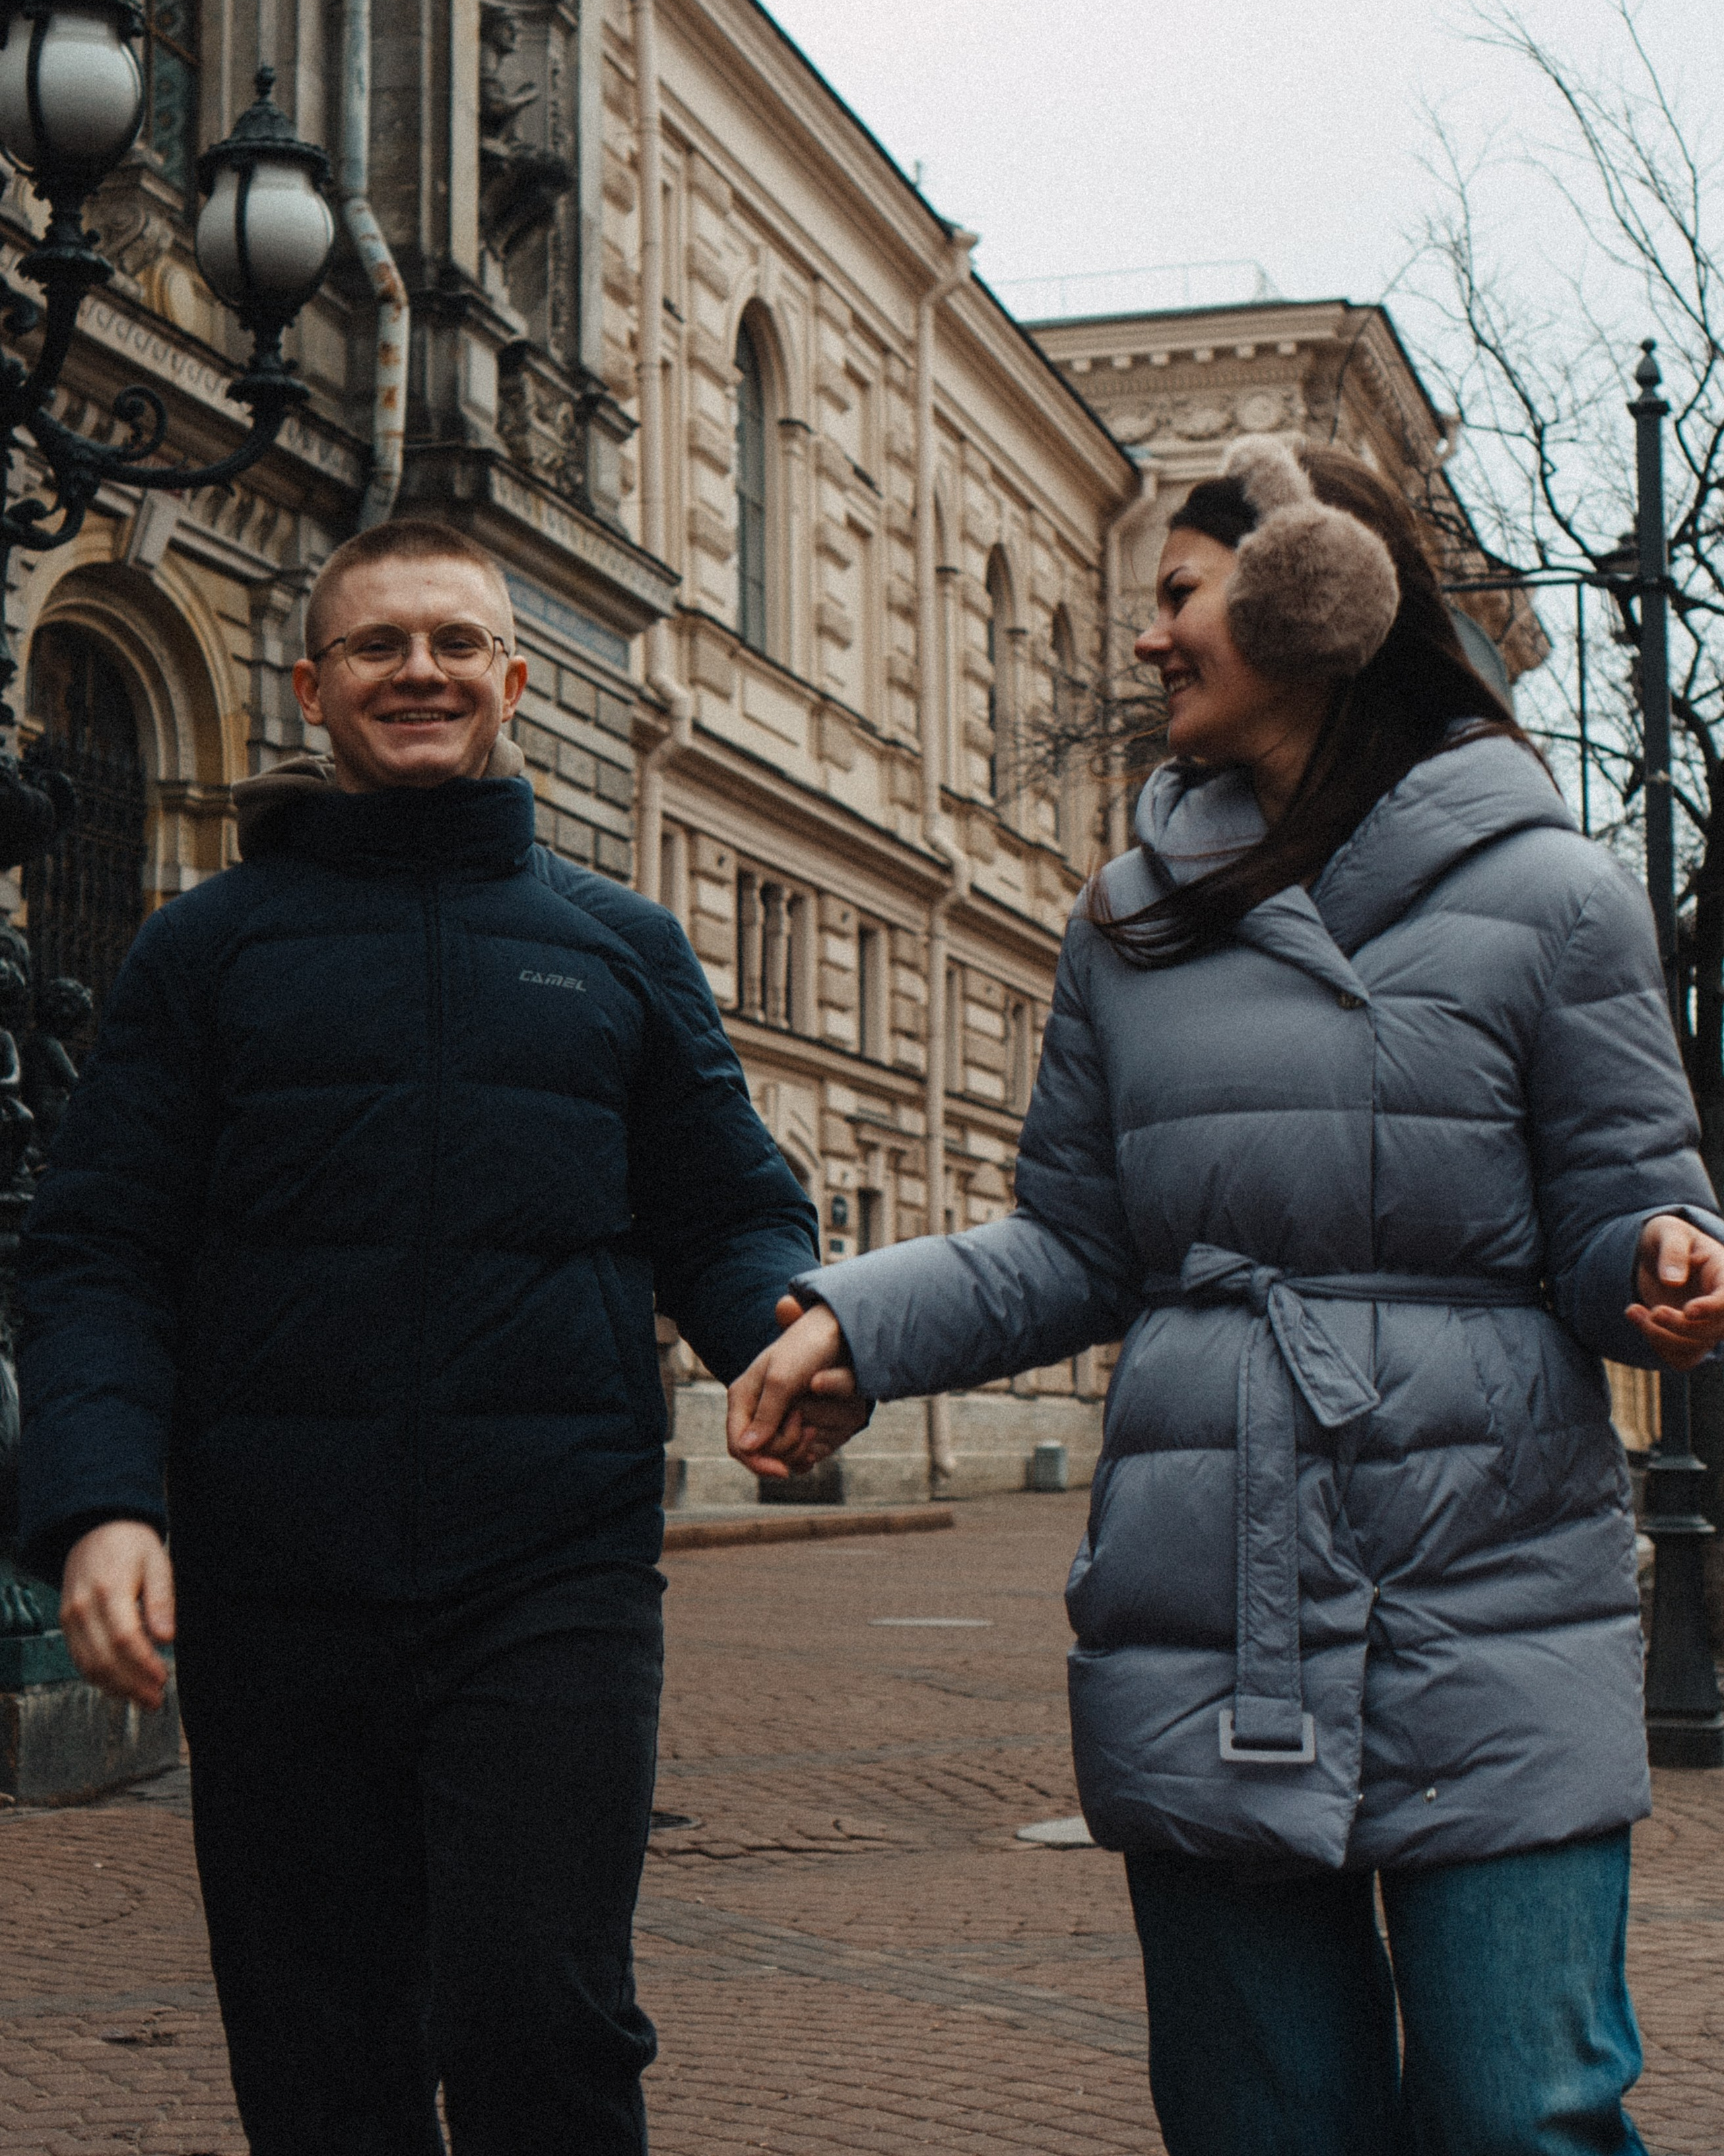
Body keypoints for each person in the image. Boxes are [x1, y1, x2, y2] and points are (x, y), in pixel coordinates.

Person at [729, 436, 1724, 2156]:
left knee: (1521, 2115)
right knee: (1262, 2122)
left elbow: (1620, 1198)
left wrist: (1655, 1255)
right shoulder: (1127, 923)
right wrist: (856, 1321)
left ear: (1309, 598)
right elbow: (1070, 1245)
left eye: (1177, 596)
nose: (1148, 638)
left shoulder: (1556, 896)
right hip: (1217, 1593)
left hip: (1488, 1586)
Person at [15, 516, 849, 2156]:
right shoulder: (208, 950)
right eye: (382, 647)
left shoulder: (622, 948)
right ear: (314, 688)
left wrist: (794, 1329)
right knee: (319, 2036)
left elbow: (731, 1209)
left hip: (550, 1578)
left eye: (455, 643)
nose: (422, 671)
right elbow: (98, 1249)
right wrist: (106, 1499)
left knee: (542, 2012)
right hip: (274, 1581)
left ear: (515, 680)